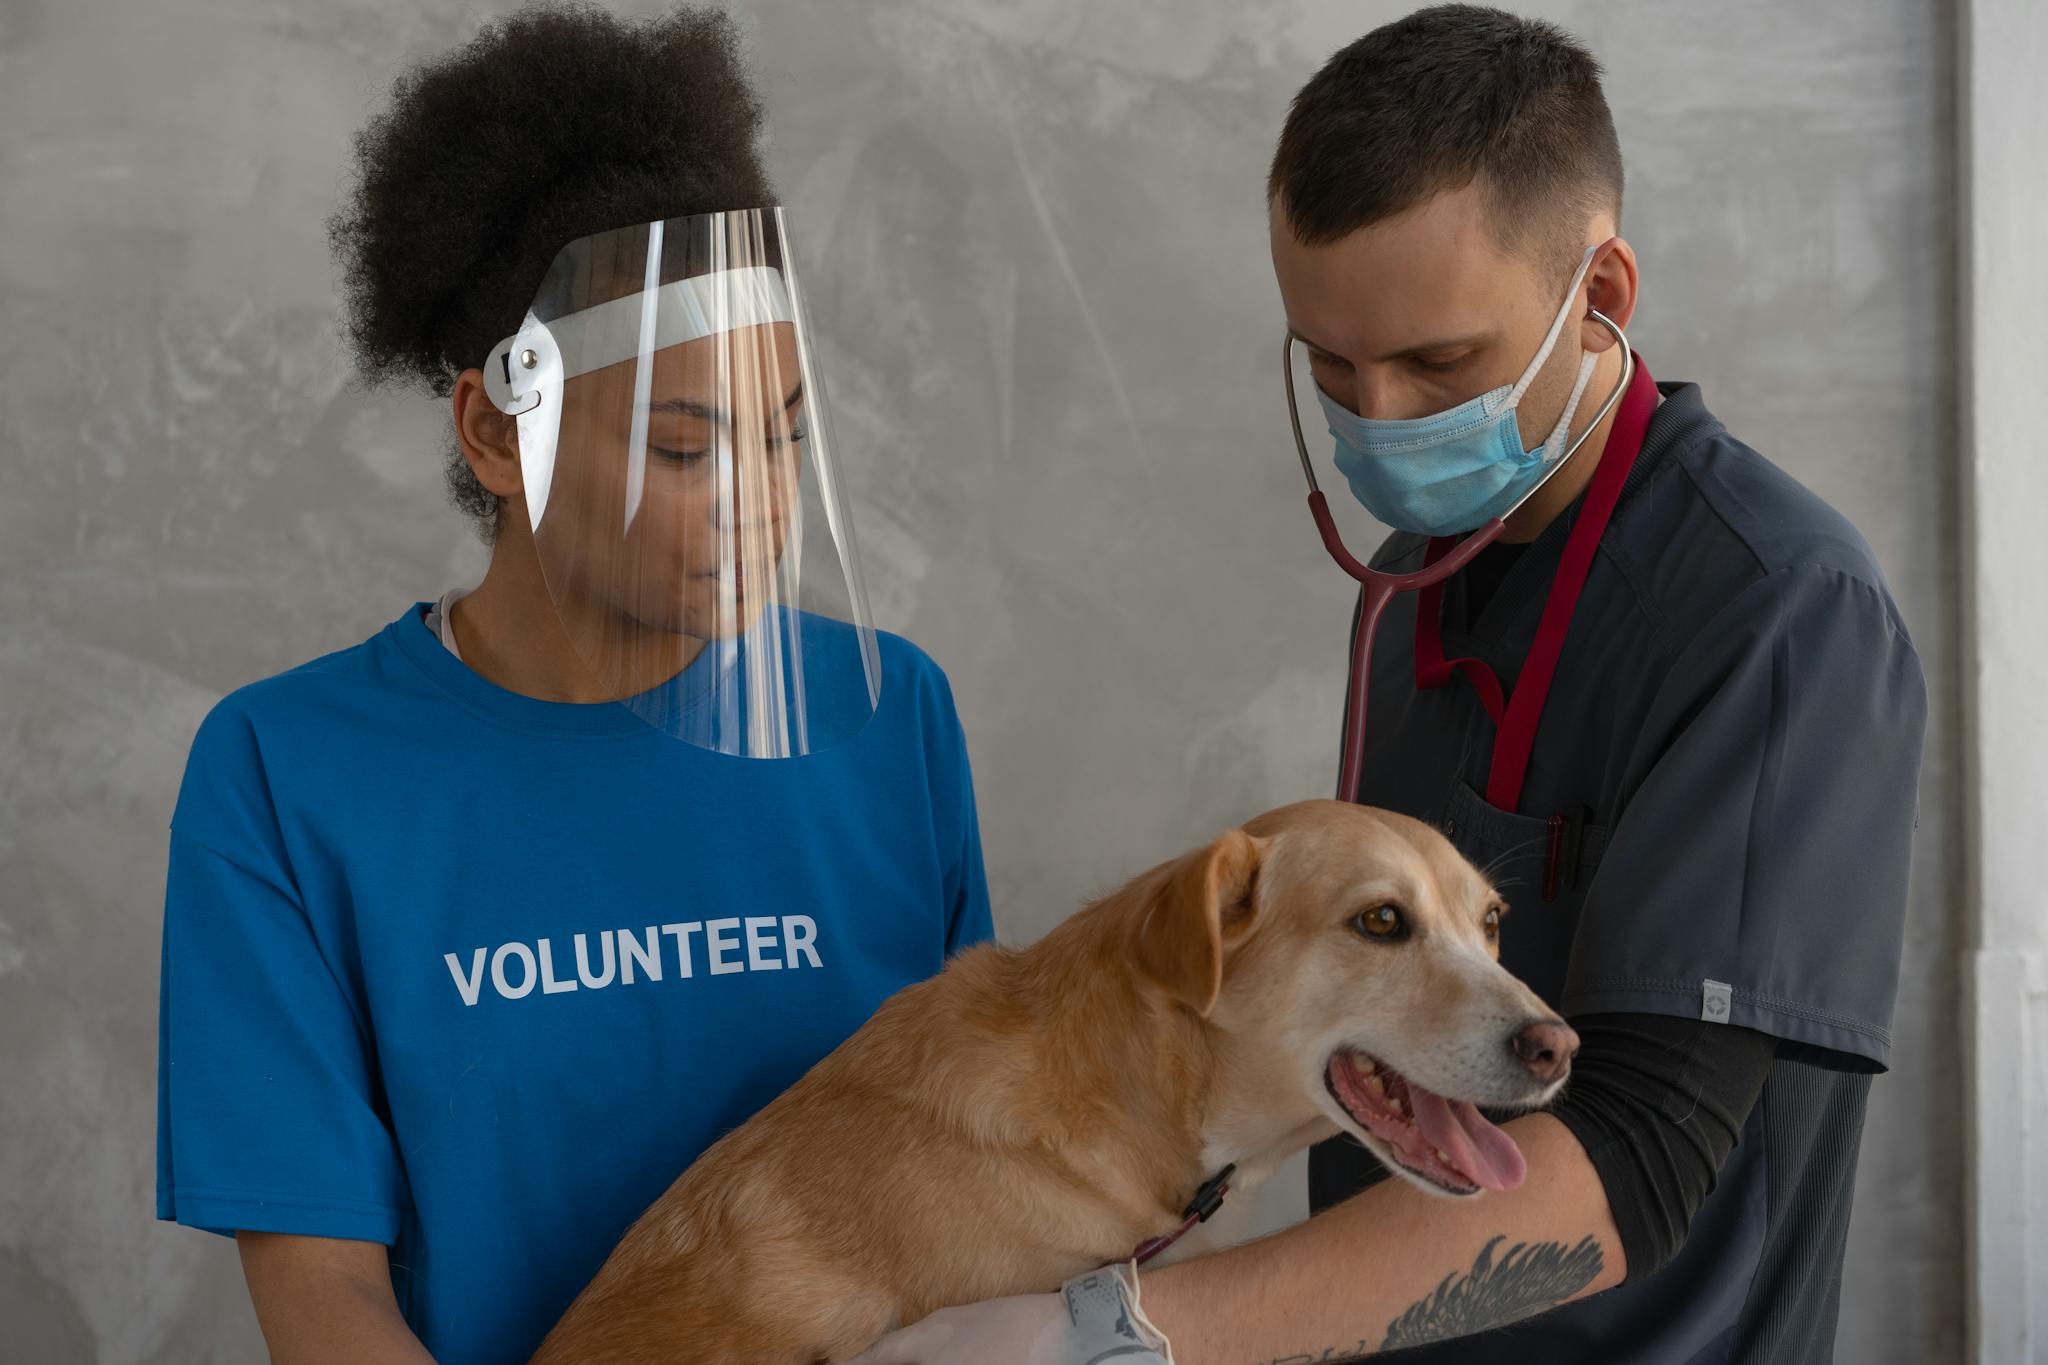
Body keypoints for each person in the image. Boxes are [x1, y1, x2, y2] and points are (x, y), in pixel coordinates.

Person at [854, 7, 1925, 1363]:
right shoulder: (1418, 581)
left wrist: (1115, 1333)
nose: (1384, 422)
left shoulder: (1780, 612)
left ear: (1600, 301)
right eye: (1332, 366)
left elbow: (1639, 1159)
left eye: (1438, 364)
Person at [152, 9, 992, 1363]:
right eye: (682, 446)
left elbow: (966, 1184)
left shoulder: (892, 719)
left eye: (784, 439)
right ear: (496, 427)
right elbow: (325, 1304)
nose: (757, 507)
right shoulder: (289, 776)